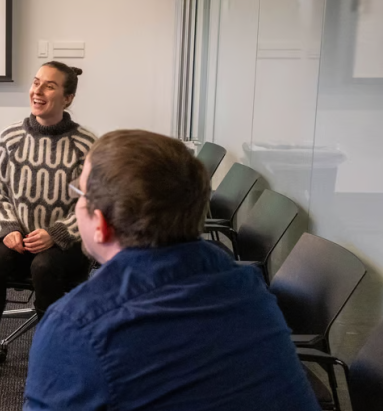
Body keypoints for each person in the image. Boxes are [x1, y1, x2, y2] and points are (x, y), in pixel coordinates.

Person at [24, 130, 320, 410]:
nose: (75, 200)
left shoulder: (75, 327)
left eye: (80, 192)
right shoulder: (248, 288)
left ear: (100, 225)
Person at [0, 61, 97, 387]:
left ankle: (52, 352)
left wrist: (56, 233)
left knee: (45, 269)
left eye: (49, 86)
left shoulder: (86, 145)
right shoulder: (11, 137)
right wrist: (8, 229)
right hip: (18, 237)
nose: (37, 91)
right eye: (36, 83)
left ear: (68, 98)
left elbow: (92, 203)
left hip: (66, 244)